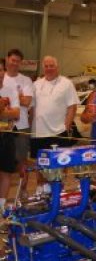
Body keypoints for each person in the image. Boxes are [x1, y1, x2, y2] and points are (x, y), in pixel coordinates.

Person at [31, 56, 80, 190]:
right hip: (38, 133)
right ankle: (40, 191)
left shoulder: (66, 83)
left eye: (51, 65)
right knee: (40, 165)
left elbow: (72, 107)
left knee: (60, 164)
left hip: (58, 132)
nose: (49, 68)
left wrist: (66, 127)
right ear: (43, 68)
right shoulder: (36, 84)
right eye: (46, 66)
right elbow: (31, 107)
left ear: (57, 67)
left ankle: (59, 191)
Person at [4, 48, 33, 195]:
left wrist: (9, 99)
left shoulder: (25, 80)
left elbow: (27, 102)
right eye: (12, 60)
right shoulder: (2, 77)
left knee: (22, 160)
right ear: (7, 59)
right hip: (3, 127)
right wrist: (18, 97)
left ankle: (23, 190)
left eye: (18, 61)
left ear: (21, 63)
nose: (14, 63)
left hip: (21, 126)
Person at [0, 58, 20, 199]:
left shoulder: (11, 90)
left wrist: (2, 111)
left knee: (6, 173)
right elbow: (10, 112)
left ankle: (1, 209)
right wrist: (6, 112)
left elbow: (16, 114)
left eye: (1, 69)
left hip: (7, 136)